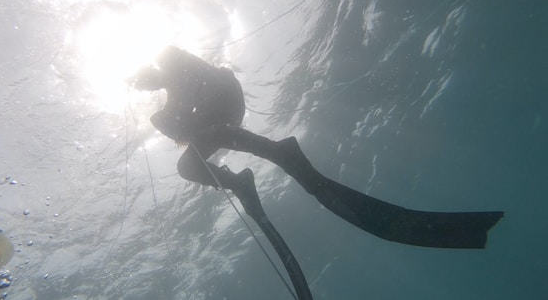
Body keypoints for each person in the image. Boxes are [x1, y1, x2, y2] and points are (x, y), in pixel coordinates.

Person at [132, 46, 504, 249]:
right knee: (187, 166)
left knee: (210, 135)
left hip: (227, 105)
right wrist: (170, 117)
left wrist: (178, 108)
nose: (147, 86)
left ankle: (277, 154)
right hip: (219, 120)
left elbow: (204, 90)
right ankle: (245, 179)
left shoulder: (169, 55)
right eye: (144, 85)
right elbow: (187, 138)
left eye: (145, 80)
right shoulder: (163, 106)